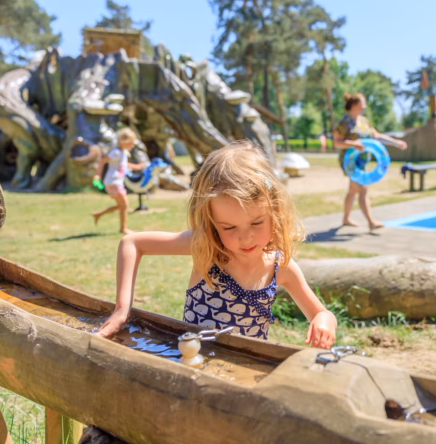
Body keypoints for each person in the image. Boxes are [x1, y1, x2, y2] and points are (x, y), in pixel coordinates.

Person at [97, 141, 337, 349]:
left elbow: (321, 312)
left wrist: (324, 321)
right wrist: (121, 309)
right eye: (229, 228)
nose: (246, 238)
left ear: (274, 210)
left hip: (243, 378)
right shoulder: (206, 248)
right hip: (193, 369)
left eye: (256, 222)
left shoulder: (281, 267)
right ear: (212, 223)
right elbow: (132, 243)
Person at [333, 93, 408, 231]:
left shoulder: (364, 121)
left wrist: (396, 142)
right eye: (363, 104)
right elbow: (336, 143)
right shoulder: (345, 123)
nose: (365, 107)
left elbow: (377, 135)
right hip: (350, 163)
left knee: (351, 191)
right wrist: (353, 144)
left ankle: (346, 219)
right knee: (362, 191)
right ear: (355, 105)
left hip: (362, 161)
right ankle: (371, 222)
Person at [92, 128, 145, 234]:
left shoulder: (122, 153)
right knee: (124, 205)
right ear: (124, 141)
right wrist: (97, 175)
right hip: (113, 182)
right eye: (131, 143)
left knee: (121, 206)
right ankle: (123, 228)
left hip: (116, 182)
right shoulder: (116, 153)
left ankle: (98, 214)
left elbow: (124, 165)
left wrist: (137, 167)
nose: (133, 146)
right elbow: (103, 161)